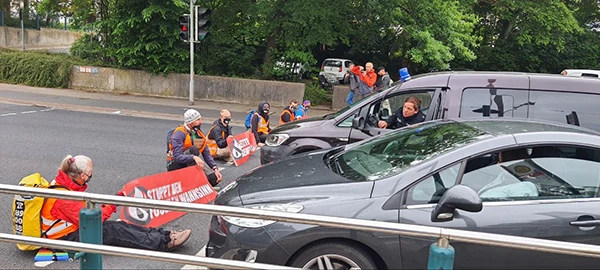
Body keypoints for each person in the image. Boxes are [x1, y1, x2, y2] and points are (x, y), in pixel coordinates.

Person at [41, 155, 192, 251]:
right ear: (81, 176)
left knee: (119, 226)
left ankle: (165, 235)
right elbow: (94, 220)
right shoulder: (63, 196)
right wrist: (113, 204)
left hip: (70, 230)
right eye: (89, 175)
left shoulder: (63, 183)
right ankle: (163, 243)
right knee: (113, 231)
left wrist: (115, 200)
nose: (89, 178)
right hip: (62, 239)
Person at [167, 109, 222, 186]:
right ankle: (191, 179)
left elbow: (206, 153)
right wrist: (194, 157)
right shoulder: (179, 133)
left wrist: (215, 168)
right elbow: (177, 157)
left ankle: (195, 179)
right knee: (194, 149)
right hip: (176, 165)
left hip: (190, 161)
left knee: (214, 179)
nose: (201, 122)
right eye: (198, 120)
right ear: (190, 122)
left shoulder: (198, 133)